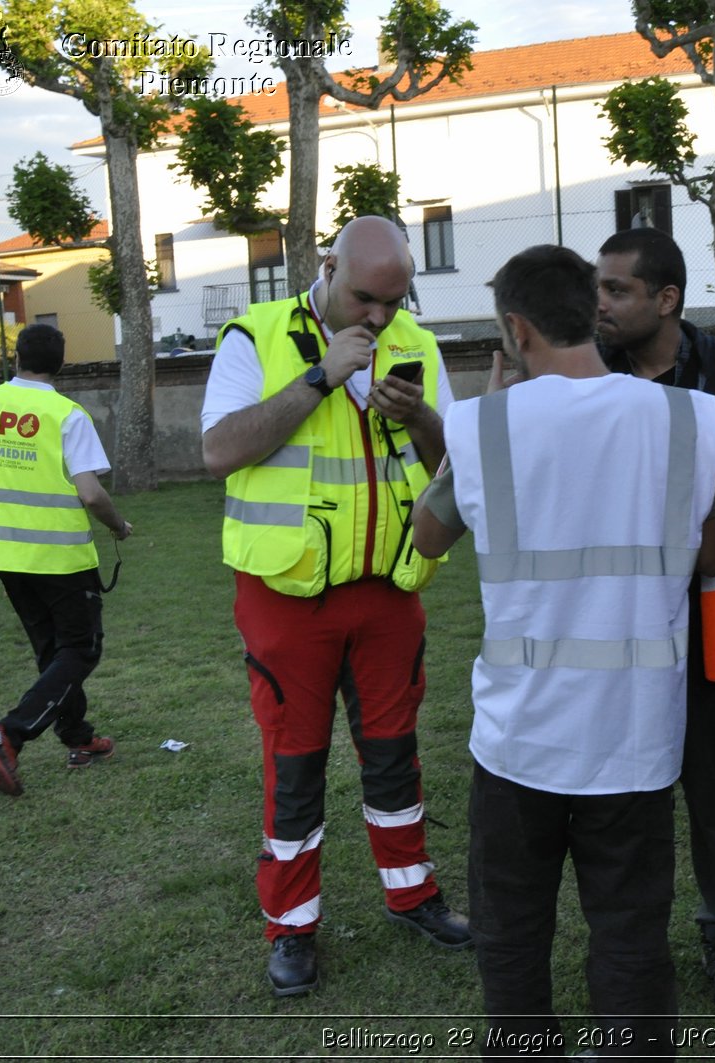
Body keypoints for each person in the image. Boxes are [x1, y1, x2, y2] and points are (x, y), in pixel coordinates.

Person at [412, 244, 715, 1057]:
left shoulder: (483, 425)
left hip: (520, 736)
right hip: (636, 734)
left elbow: (429, 533)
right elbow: (713, 555)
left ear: (515, 328)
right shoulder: (687, 415)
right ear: (593, 309)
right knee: (629, 930)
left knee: (513, 930)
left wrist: (483, 420)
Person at [199, 216, 469, 998]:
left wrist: (416, 415)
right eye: (365, 298)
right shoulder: (255, 336)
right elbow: (217, 451)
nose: (380, 317)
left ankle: (413, 892)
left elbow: (454, 464)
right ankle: (292, 929)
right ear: (328, 265)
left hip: (389, 590)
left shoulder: (416, 341)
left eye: (394, 300)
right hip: (289, 597)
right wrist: (318, 377)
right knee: (295, 767)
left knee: (394, 753)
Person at [594, 227, 715, 1014]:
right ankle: (631, 947)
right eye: (596, 289)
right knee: (623, 811)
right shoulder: (587, 378)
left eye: (616, 290)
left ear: (666, 298)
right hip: (620, 638)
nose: (599, 304)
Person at [0, 322, 131, 796]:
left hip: (9, 556)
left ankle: (79, 738)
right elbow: (91, 494)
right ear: (62, 364)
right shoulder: (66, 414)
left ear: (17, 359)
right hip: (62, 557)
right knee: (81, 649)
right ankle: (7, 734)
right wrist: (118, 526)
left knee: (54, 651)